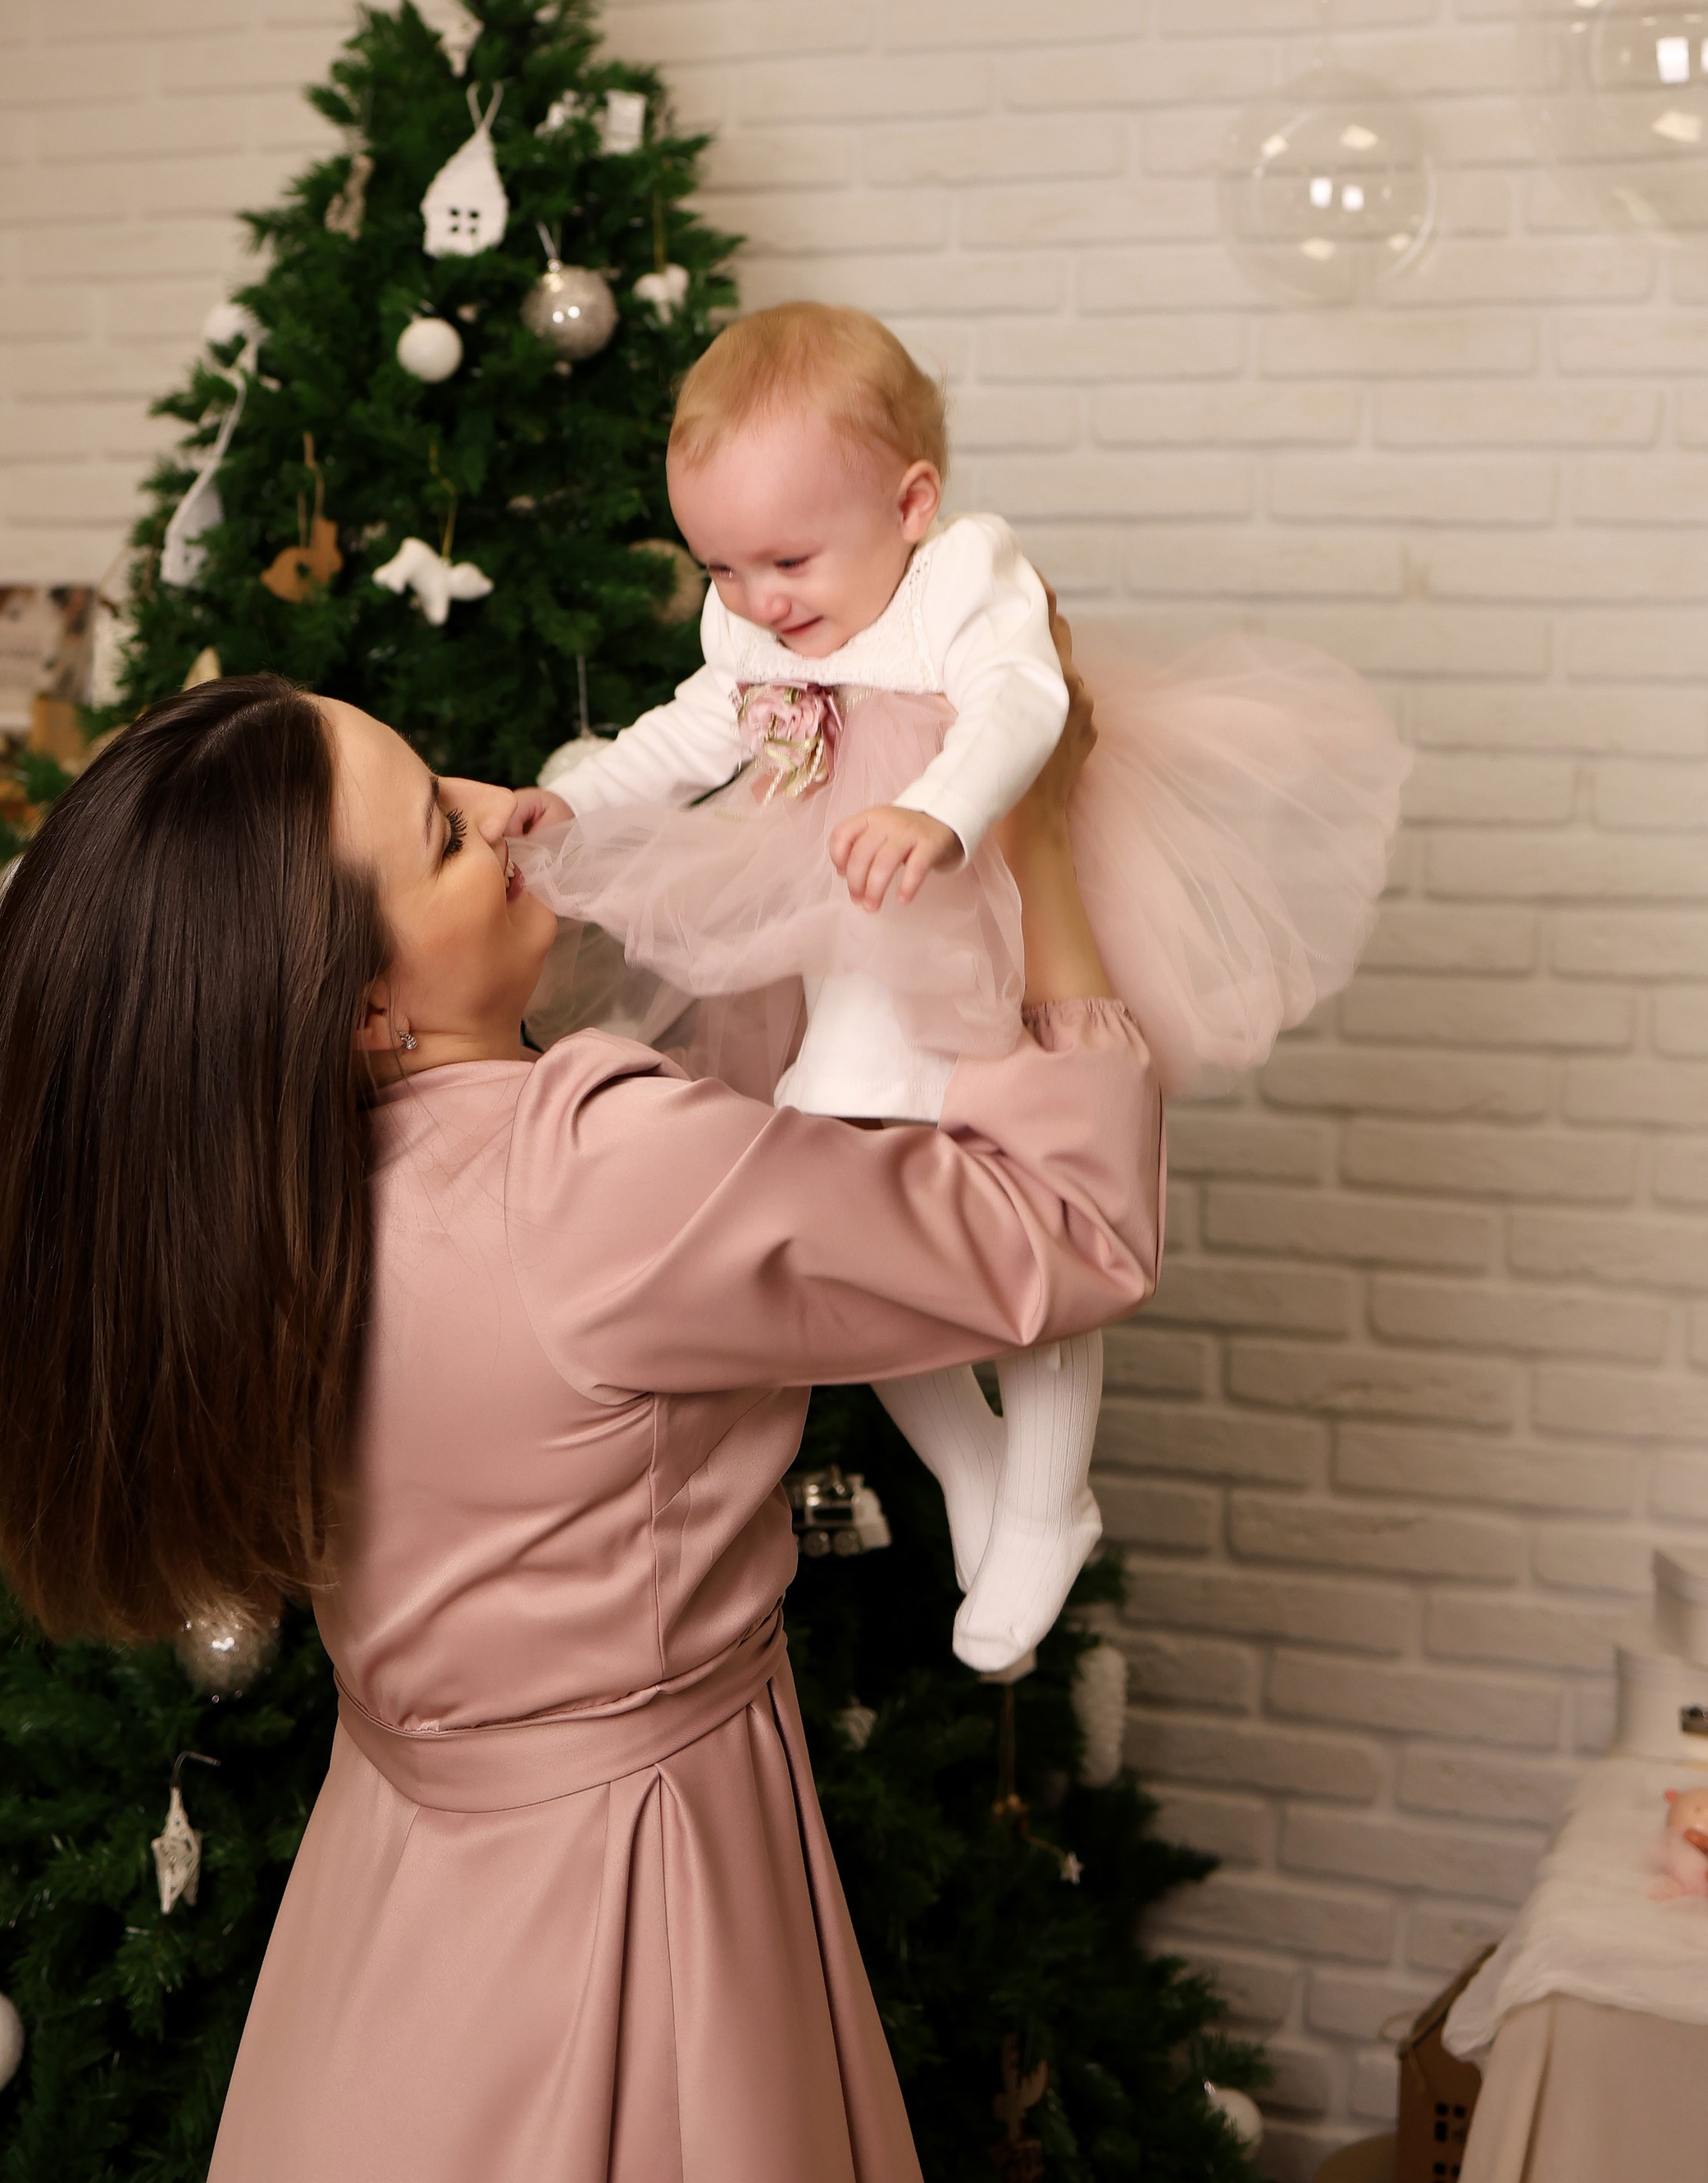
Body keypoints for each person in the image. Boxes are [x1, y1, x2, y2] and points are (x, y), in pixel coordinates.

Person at [0, 637, 1158, 2183]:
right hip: (633, 1906)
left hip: (388, 1904)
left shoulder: (248, 1220)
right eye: (442, 832)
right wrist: (1029, 829)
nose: (509, 803)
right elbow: (1072, 1230)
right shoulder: (591, 1173)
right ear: (363, 1005)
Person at [517, 301, 1409, 1670]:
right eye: (726, 568)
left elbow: (1022, 704)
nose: (761, 601)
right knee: (839, 1209)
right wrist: (575, 801)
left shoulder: (966, 574)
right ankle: (980, 1473)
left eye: (790, 560)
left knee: (1029, 1213)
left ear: (913, 501)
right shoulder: (754, 618)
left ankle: (1044, 1495)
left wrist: (939, 812)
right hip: (857, 936)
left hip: (978, 905)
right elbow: (700, 726)